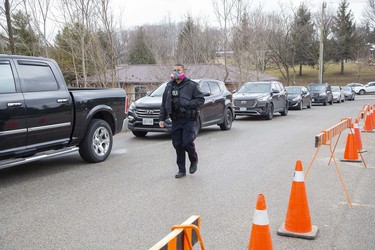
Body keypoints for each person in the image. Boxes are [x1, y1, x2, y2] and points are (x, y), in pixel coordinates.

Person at [159, 64, 205, 178]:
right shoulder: (169, 86)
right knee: (177, 145)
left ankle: (194, 160)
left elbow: (200, 100)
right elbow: (164, 103)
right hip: (175, 119)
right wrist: (162, 118)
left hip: (188, 119)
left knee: (187, 143)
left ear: (184, 71)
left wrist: (188, 104)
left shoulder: (191, 85)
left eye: (178, 70)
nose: (176, 72)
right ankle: (181, 170)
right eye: (174, 70)